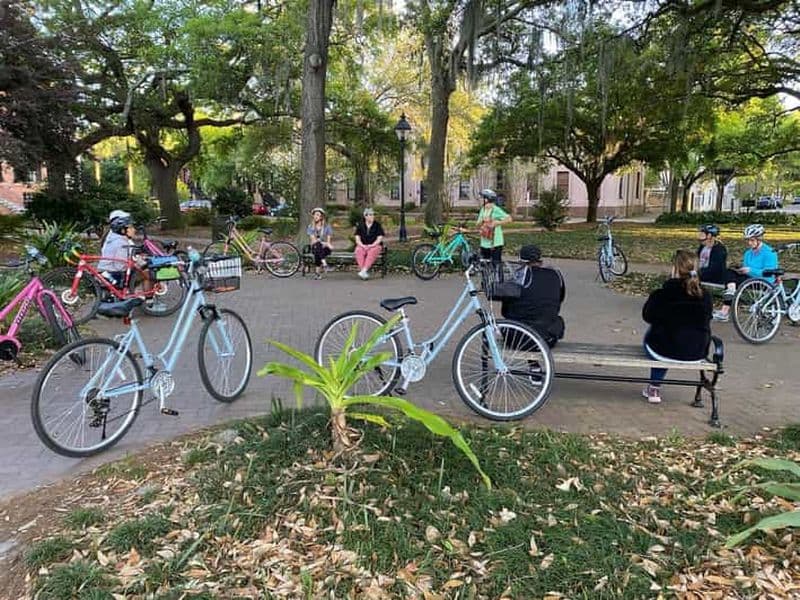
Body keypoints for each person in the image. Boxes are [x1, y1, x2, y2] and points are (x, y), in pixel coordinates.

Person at [642, 250, 713, 404]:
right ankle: (654, 386)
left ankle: (654, 386)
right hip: (697, 351)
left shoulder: (663, 293)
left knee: (657, 336)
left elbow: (647, 316)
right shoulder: (705, 295)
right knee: (667, 336)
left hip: (665, 349)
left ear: (674, 269)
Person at [500, 245, 565, 348]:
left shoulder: (519, 276)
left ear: (521, 261)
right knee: (556, 319)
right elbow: (560, 299)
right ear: (540, 260)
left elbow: (505, 309)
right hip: (547, 338)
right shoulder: (555, 274)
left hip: (518, 338)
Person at [713, 223, 778, 322]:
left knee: (733, 279)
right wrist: (741, 269)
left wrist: (750, 270)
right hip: (750, 279)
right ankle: (729, 297)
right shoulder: (748, 253)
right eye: (748, 240)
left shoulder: (770, 252)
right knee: (729, 272)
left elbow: (770, 273)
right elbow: (747, 268)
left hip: (764, 282)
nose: (749, 243)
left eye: (752, 240)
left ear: (759, 239)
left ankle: (727, 305)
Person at [475, 188, 511, 267]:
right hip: (484, 242)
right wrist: (483, 222)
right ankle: (486, 279)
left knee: (496, 264)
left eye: (483, 198)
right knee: (485, 265)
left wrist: (497, 222)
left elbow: (509, 219)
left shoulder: (496, 209)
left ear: (487, 199)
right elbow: (477, 224)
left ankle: (498, 278)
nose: (481, 200)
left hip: (495, 242)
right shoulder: (483, 209)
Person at [98, 211, 136, 286]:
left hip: (105, 270)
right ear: (122, 229)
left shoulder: (113, 237)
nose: (134, 230)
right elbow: (120, 266)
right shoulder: (121, 242)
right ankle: (146, 296)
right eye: (131, 227)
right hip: (113, 274)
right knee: (146, 272)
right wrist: (133, 263)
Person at [354, 207, 384, 280]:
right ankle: (363, 272)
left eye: (373, 214)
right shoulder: (360, 225)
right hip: (363, 245)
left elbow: (379, 238)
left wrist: (372, 245)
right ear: (365, 216)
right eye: (370, 215)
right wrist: (362, 245)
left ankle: (363, 271)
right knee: (358, 250)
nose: (372, 216)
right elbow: (357, 238)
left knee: (372, 251)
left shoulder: (377, 225)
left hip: (375, 245)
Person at [307, 207, 333, 280]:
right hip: (315, 246)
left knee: (318, 252)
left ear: (321, 217)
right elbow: (313, 240)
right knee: (317, 246)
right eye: (314, 215)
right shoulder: (311, 227)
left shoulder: (327, 227)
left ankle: (318, 273)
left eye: (318, 215)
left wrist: (326, 243)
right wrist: (321, 243)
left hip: (325, 248)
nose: (315, 217)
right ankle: (324, 264)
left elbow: (328, 241)